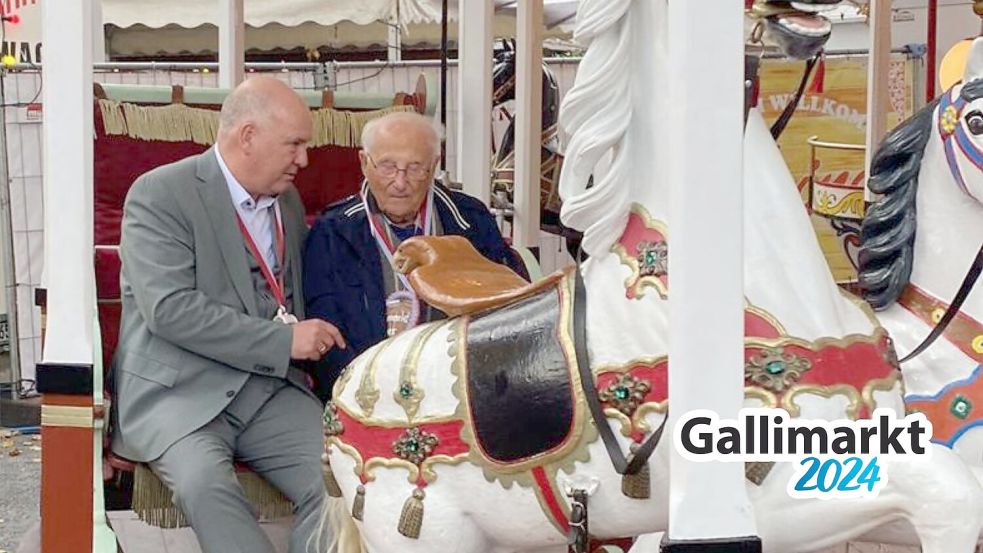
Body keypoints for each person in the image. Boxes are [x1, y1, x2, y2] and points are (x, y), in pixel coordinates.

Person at [111, 76, 345, 553]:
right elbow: (170, 310)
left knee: (342, 479)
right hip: (179, 395)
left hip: (268, 391)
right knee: (207, 490)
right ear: (248, 137)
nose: (304, 159)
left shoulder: (289, 200)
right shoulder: (160, 193)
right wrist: (285, 342)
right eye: (295, 145)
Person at [303, 112, 527, 401]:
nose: (400, 182)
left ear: (434, 166)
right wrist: (367, 390)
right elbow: (326, 330)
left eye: (415, 168)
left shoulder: (470, 221)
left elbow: (506, 310)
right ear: (364, 163)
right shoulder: (333, 230)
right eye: (387, 166)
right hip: (365, 392)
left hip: (458, 390)